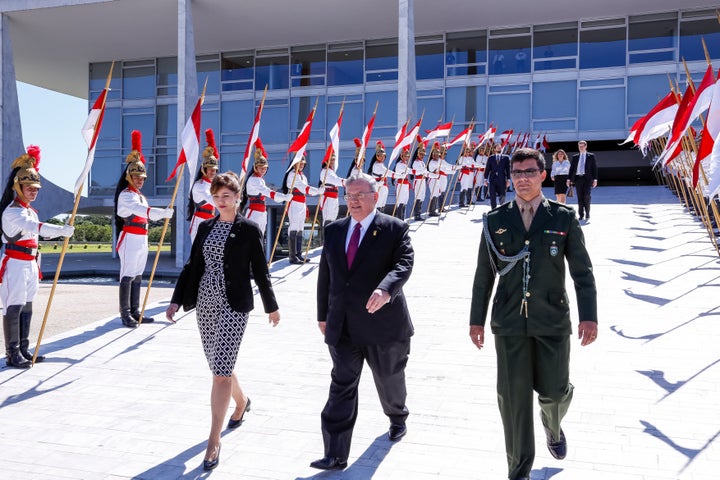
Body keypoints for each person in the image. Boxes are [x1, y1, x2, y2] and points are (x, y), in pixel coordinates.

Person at [468, 148, 598, 480]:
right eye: (516, 173)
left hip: (553, 320)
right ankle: (519, 468)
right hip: (509, 322)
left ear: (544, 174)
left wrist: (589, 316)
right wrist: (476, 320)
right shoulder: (495, 219)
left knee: (554, 392)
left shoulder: (563, 217)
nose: (522, 178)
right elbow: (484, 276)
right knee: (513, 400)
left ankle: (552, 425)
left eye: (529, 172)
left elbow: (582, 272)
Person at [166, 171, 280, 471]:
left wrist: (272, 306)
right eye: (216, 197)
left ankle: (213, 440)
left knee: (220, 373)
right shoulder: (205, 227)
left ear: (237, 197)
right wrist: (176, 299)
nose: (220, 201)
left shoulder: (249, 229)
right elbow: (193, 265)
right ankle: (241, 403)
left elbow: (260, 271)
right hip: (205, 302)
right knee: (220, 366)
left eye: (226, 196)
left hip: (233, 305)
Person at [311, 172, 414, 470]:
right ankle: (335, 453)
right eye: (349, 196)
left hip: (383, 324)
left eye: (359, 195)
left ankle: (397, 416)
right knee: (341, 385)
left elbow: (403, 264)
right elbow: (325, 276)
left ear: (375, 196)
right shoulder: (333, 230)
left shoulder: (394, 228)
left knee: (389, 380)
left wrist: (385, 289)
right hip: (343, 325)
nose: (353, 201)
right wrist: (323, 315)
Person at [1, 146, 75, 368]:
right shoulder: (12, 212)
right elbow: (37, 227)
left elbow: (36, 230)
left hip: (31, 262)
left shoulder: (30, 210)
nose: (34, 191)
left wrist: (60, 232)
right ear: (18, 187)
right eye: (29, 187)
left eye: (36, 188)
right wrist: (61, 230)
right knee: (13, 306)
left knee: (27, 306)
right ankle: (12, 353)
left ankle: (24, 348)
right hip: (15, 263)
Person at [114, 131, 174, 328]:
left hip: (141, 237)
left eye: (142, 177)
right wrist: (162, 213)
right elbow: (142, 211)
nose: (140, 180)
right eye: (136, 177)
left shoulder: (140, 195)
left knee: (139, 273)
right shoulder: (126, 195)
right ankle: (125, 314)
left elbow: (145, 211)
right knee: (128, 274)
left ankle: (136, 310)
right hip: (130, 236)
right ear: (129, 176)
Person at [241, 138, 291, 237]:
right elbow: (267, 192)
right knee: (251, 238)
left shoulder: (260, 179)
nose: (263, 170)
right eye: (260, 167)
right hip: (254, 212)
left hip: (261, 212)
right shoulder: (254, 179)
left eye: (265, 168)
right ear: (255, 167)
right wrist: (284, 197)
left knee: (260, 238)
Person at [282, 155, 323, 264]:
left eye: (302, 163)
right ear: (294, 164)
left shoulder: (303, 176)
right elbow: (303, 187)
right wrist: (317, 191)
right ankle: (292, 256)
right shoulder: (292, 175)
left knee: (300, 228)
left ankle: (298, 253)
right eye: (299, 163)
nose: (301, 165)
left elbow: (304, 189)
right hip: (294, 203)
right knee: (294, 227)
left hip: (302, 203)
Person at [187, 129, 219, 244]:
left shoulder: (213, 184)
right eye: (210, 169)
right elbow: (212, 200)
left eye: (215, 170)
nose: (213, 172)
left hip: (211, 219)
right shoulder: (199, 186)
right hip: (200, 220)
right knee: (199, 255)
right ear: (204, 169)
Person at [567, 140, 598, 221]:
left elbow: (594, 168)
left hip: (587, 179)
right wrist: (569, 179)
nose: (581, 147)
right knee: (580, 197)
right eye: (579, 146)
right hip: (578, 179)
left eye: (582, 146)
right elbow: (571, 169)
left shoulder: (591, 156)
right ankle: (581, 214)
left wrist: (595, 179)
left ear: (585, 146)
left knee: (587, 196)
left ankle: (587, 212)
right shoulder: (575, 157)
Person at [367, 141, 397, 213]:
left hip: (383, 185)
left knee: (383, 204)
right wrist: (398, 175)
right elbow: (387, 172)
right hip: (378, 186)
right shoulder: (377, 165)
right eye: (380, 155)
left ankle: (381, 221)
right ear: (377, 156)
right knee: (378, 204)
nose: (382, 157)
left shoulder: (381, 164)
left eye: (383, 156)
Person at [319, 149, 345, 227]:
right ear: (326, 161)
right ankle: (326, 239)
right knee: (328, 220)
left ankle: (332, 238)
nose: (332, 161)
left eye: (333, 159)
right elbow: (335, 180)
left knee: (333, 220)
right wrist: (348, 182)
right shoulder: (324, 171)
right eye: (330, 159)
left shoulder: (331, 171)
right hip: (328, 198)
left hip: (334, 197)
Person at [410, 140, 432, 221]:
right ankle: (416, 215)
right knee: (418, 196)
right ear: (417, 153)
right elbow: (418, 171)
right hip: (418, 180)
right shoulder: (415, 162)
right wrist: (424, 171)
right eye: (421, 154)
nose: (422, 156)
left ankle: (419, 214)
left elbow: (425, 173)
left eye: (423, 154)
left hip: (422, 180)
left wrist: (432, 175)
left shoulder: (422, 162)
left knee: (422, 196)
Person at [484, 143, 511, 209]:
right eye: (498, 147)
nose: (499, 148)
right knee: (492, 196)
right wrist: (485, 179)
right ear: (494, 149)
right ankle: (493, 210)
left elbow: (508, 169)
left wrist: (508, 180)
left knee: (502, 195)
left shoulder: (506, 158)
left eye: (500, 147)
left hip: (502, 180)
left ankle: (502, 209)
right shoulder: (490, 158)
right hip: (493, 180)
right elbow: (487, 169)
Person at [392, 146, 411, 220]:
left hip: (405, 183)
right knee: (400, 202)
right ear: (401, 156)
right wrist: (415, 171)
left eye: (407, 156)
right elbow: (408, 171)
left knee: (405, 201)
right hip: (401, 184)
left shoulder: (405, 163)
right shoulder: (399, 164)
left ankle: (403, 218)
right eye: (405, 156)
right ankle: (400, 219)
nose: (406, 158)